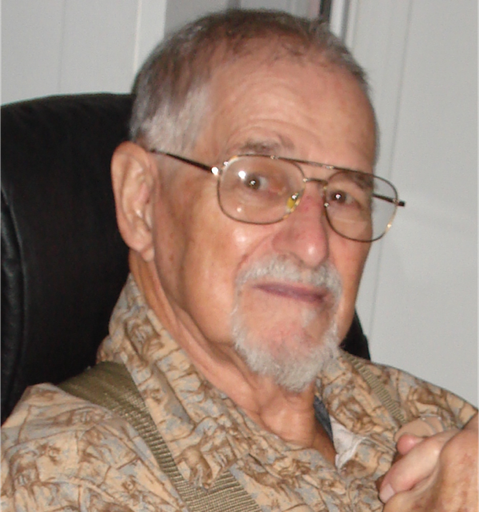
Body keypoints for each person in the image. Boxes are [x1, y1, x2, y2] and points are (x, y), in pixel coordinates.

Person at [0, 9, 477, 512]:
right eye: (257, 182)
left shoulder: (416, 411)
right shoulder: (69, 470)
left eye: (342, 197)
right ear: (141, 199)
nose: (313, 245)